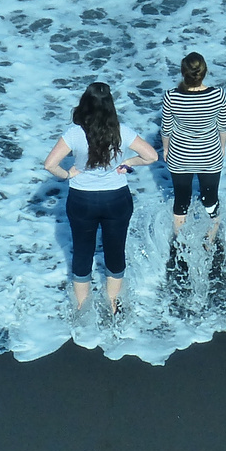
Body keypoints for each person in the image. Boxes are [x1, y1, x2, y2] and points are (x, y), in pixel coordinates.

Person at [43, 81, 157, 314]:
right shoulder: (122, 132)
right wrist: (128, 162)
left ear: (85, 105)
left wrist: (67, 174)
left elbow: (49, 165)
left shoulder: (74, 134)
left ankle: (82, 309)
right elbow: (151, 156)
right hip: (116, 200)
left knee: (82, 252)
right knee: (115, 252)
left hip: (82, 200)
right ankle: (113, 305)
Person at [160, 52, 226, 236]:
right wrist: (222, 148)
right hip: (209, 156)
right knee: (211, 200)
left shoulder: (171, 97)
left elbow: (166, 129)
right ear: (204, 72)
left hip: (180, 156)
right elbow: (223, 128)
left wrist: (166, 149)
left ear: (183, 73)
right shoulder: (217, 95)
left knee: (181, 201)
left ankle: (180, 243)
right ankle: (210, 241)